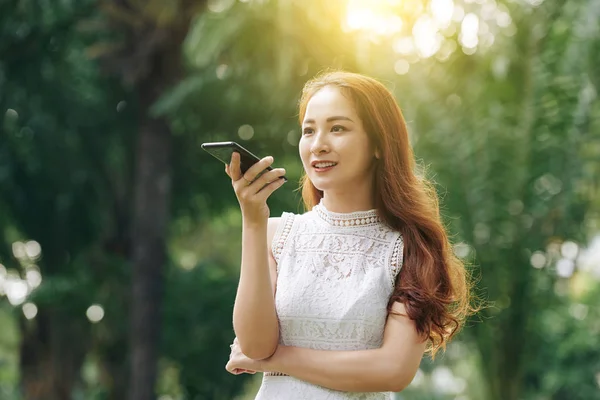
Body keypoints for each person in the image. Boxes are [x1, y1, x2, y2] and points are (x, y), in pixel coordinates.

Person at [224, 71, 475, 399]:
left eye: (338, 128)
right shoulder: (277, 235)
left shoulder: (410, 248)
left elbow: (392, 370)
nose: (318, 145)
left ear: (379, 144)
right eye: (309, 130)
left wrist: (278, 359)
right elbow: (256, 345)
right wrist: (253, 223)